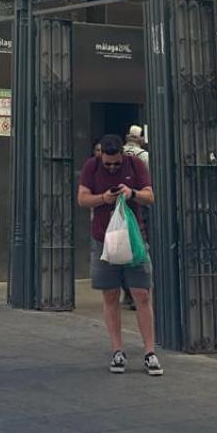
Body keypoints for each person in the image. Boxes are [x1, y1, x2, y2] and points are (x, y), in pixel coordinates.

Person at [77, 132, 162, 376]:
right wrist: (104, 198)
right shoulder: (91, 167)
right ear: (100, 154)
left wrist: (131, 193)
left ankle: (149, 352)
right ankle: (117, 350)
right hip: (103, 239)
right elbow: (82, 199)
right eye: (108, 163)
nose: (112, 168)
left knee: (142, 294)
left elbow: (150, 196)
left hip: (134, 238)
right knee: (110, 295)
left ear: (123, 155)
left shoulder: (135, 165)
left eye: (116, 163)